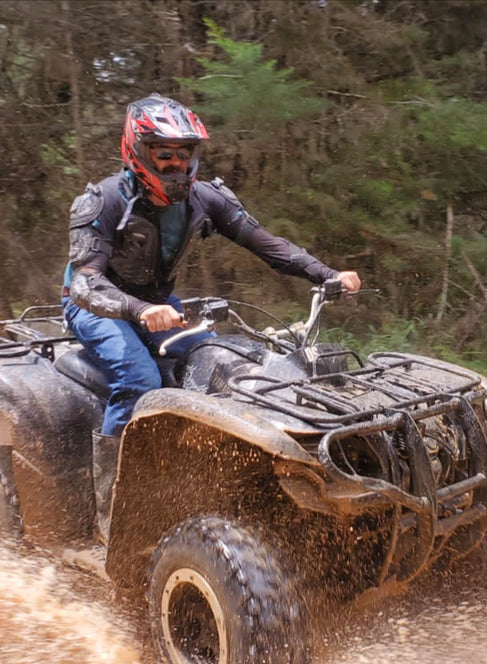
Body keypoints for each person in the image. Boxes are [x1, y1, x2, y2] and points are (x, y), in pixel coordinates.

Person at [62, 93, 361, 544]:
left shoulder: (205, 198)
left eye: (185, 155)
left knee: (230, 360)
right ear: (138, 152)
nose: (176, 166)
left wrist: (327, 274)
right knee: (140, 380)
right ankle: (112, 512)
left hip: (160, 305)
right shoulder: (102, 201)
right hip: (98, 305)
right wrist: (140, 310)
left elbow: (266, 243)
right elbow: (85, 285)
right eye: (164, 155)